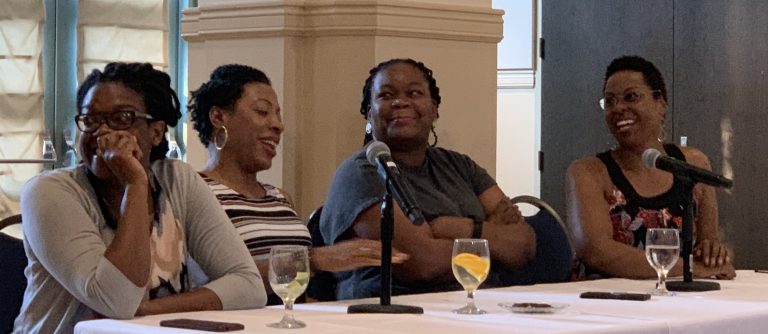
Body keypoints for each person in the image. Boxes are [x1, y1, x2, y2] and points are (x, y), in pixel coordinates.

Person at [14, 63, 265, 334]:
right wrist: (135, 183)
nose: (102, 133)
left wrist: (145, 311)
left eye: (121, 118)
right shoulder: (49, 192)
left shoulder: (177, 179)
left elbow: (249, 285)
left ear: (156, 132)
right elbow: (115, 300)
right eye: (90, 120)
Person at [319, 58, 537, 300]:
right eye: (386, 95)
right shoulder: (362, 172)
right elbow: (422, 264)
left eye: (414, 93)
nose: (401, 102)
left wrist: (455, 228)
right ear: (370, 114)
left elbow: (523, 245)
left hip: (480, 304)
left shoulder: (460, 166)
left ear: (434, 110)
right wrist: (492, 236)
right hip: (393, 313)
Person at [188, 64, 407, 304]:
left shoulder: (279, 198)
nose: (278, 125)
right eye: (262, 112)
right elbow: (220, 281)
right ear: (218, 117)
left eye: (278, 115)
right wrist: (314, 259)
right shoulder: (197, 192)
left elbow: (296, 292)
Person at [566, 55, 736, 279]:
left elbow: (707, 244)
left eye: (631, 97)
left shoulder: (693, 164)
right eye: (610, 101)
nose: (618, 108)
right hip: (608, 302)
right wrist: (690, 270)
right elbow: (597, 252)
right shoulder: (588, 172)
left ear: (660, 103)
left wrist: (713, 253)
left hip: (682, 300)